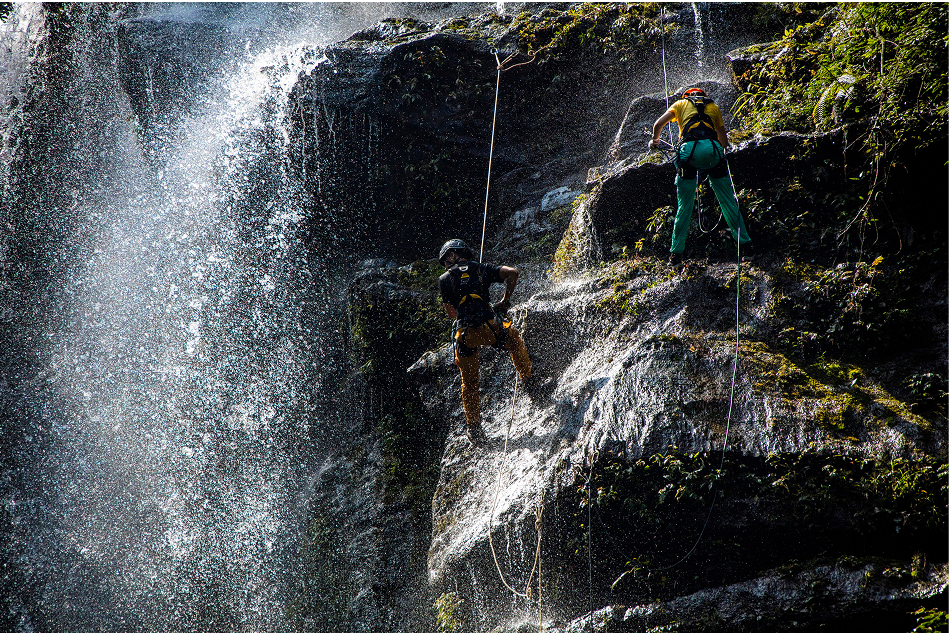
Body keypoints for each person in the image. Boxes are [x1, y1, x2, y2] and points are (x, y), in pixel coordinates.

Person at [437, 239, 532, 446]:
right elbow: (513, 273)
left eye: (446, 260)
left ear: (452, 255)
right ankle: (530, 383)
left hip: (465, 336)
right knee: (514, 341)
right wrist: (505, 301)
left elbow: (452, 313)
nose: (446, 264)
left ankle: (474, 428)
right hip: (490, 327)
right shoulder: (481, 269)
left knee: (469, 383)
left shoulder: (444, 279)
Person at [650, 88, 752, 263]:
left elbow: (658, 125)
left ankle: (676, 254)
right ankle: (746, 246)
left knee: (684, 206)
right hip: (713, 151)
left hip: (689, 153)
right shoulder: (713, 106)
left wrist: (655, 140)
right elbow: (724, 141)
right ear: (703, 97)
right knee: (728, 201)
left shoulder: (680, 104)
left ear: (687, 96)